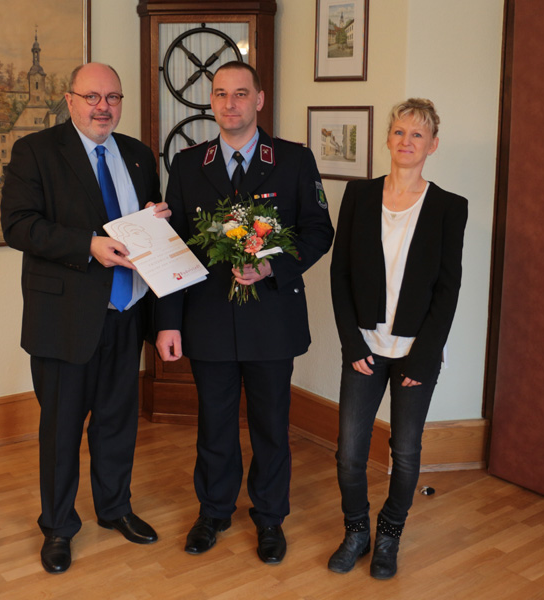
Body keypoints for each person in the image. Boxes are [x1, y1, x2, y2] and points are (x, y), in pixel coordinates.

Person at [156, 61, 334, 565]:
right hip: (207, 319)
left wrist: (272, 267)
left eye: (240, 93)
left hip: (272, 320)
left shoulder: (294, 161)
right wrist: (168, 321)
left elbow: (319, 231)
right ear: (210, 102)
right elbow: (174, 249)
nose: (229, 104)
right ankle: (213, 511)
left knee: (271, 426)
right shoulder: (190, 164)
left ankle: (271, 517)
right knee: (213, 424)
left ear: (259, 100)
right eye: (220, 94)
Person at [1, 62, 169, 574]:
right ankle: (57, 526)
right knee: (61, 428)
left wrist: (157, 225)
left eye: (113, 97)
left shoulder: (140, 155)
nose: (104, 107)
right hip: (64, 319)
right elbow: (18, 225)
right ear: (69, 99)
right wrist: (87, 245)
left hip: (127, 312)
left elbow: (150, 231)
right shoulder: (36, 151)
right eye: (93, 96)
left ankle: (115, 507)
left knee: (118, 423)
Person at [328, 98, 467, 579]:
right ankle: (356, 531)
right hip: (364, 348)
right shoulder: (359, 196)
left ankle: (389, 534)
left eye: (418, 135)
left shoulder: (450, 208)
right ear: (388, 138)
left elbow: (448, 290)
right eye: (400, 132)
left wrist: (424, 359)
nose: (407, 142)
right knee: (349, 450)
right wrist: (352, 343)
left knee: (405, 452)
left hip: (415, 354)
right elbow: (339, 274)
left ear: (432, 145)